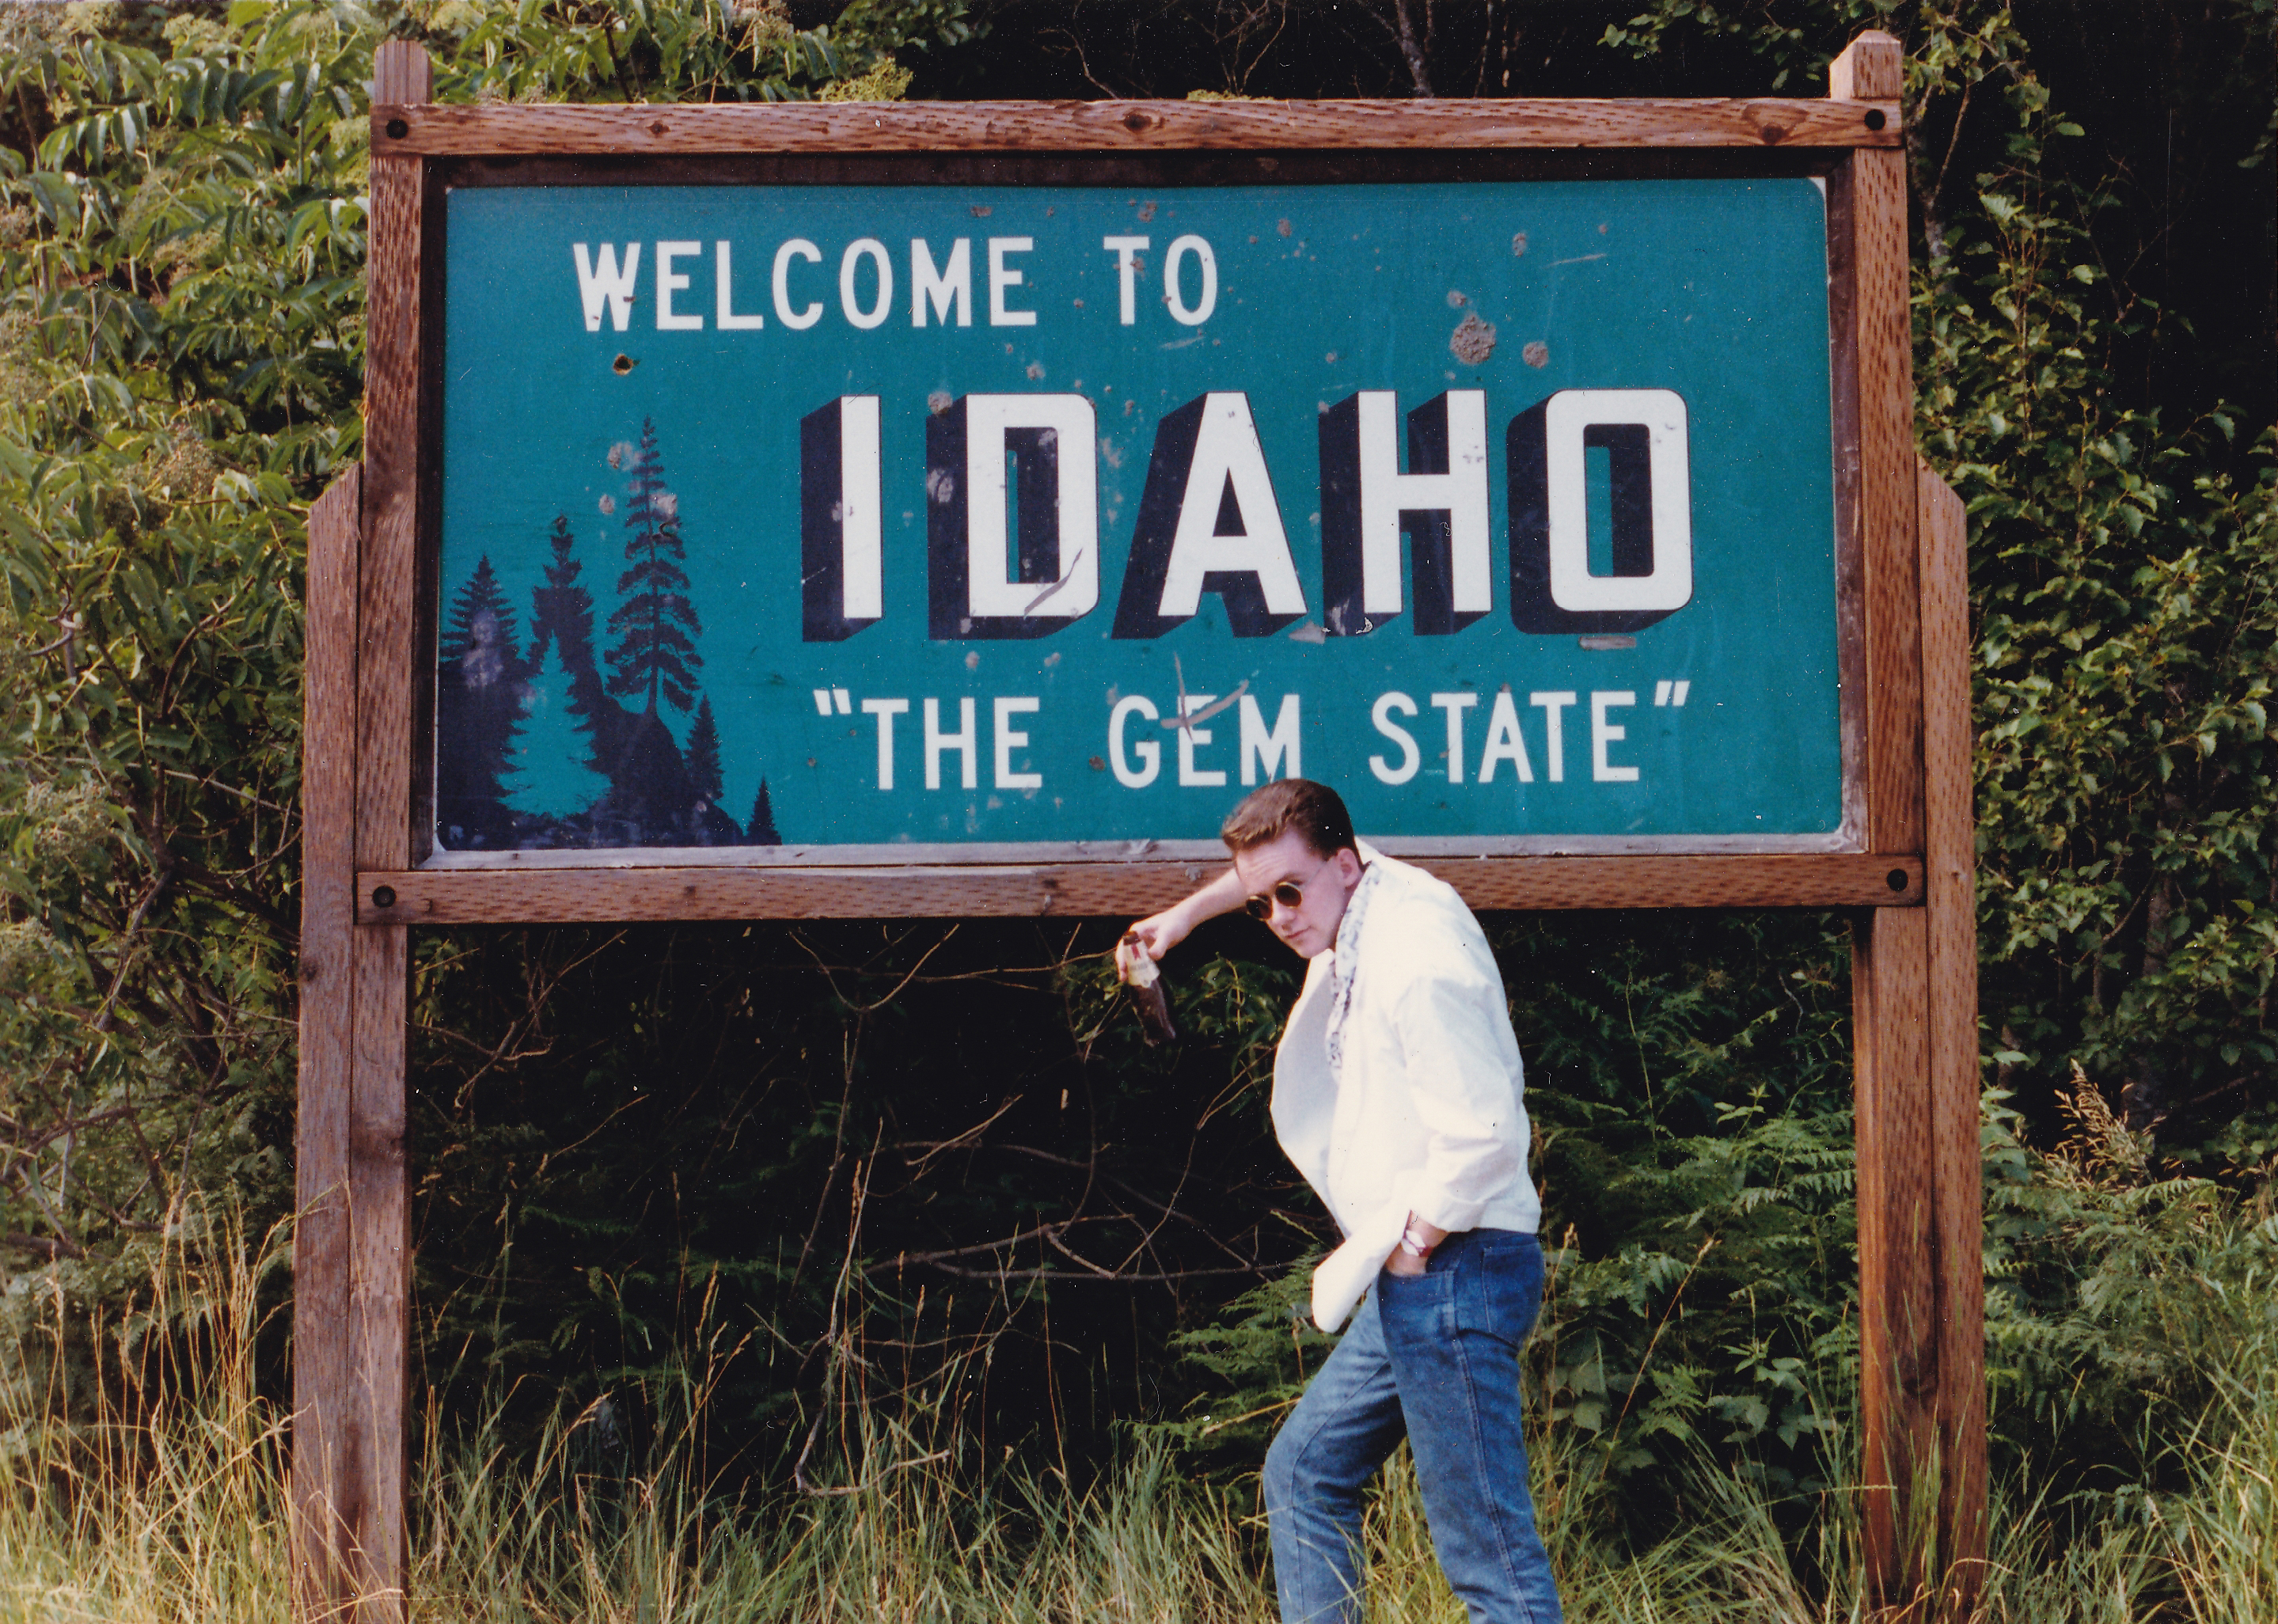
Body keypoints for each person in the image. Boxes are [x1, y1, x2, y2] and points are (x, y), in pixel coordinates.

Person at [1122, 778, 1559, 1624]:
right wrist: (1183, 919)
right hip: (1423, 1272)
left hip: (1454, 1264)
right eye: (1262, 906)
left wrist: (1415, 1242)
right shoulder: (1357, 887)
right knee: (1303, 1473)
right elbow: (1271, 869)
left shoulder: (1416, 961)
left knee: (1491, 1569)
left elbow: (1488, 1137)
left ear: (1346, 867)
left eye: (1291, 895)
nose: (1280, 917)